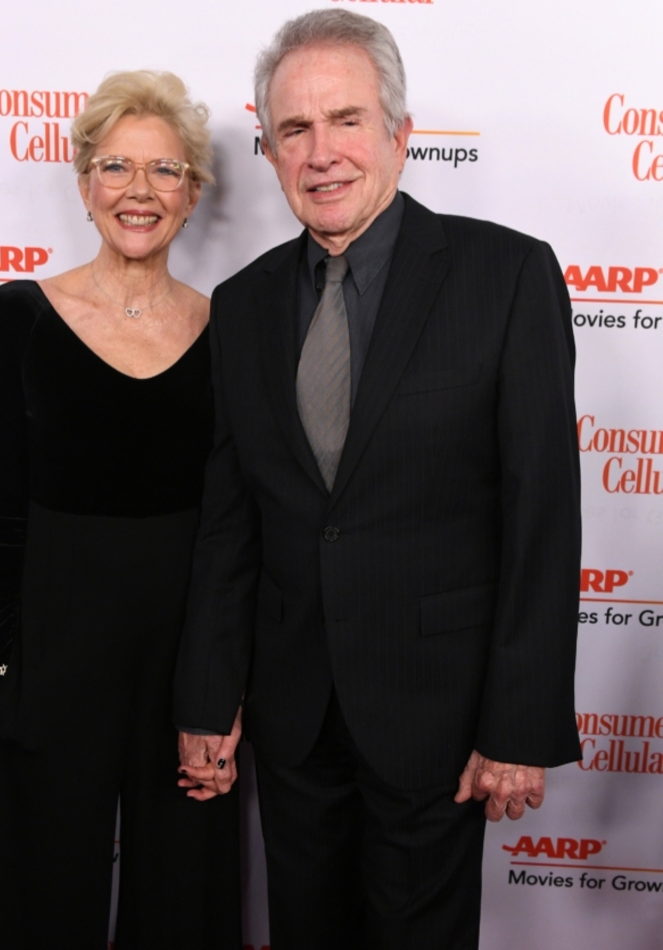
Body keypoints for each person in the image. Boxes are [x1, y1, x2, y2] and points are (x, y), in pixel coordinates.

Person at [174, 10, 581, 950]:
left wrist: (517, 723)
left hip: (437, 714)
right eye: (295, 131)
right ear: (270, 151)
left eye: (346, 120)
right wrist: (206, 698)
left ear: (400, 133)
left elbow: (542, 515)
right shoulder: (241, 308)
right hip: (294, 716)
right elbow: (231, 524)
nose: (322, 154)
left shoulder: (507, 276)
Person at [0, 70, 240, 950]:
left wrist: (226, 684)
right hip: (57, 645)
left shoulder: (230, 330)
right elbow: (1, 503)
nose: (139, 191)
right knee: (38, 880)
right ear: (84, 183)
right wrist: (5, 654)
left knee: (185, 883)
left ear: (193, 195)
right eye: (117, 167)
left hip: (185, 653)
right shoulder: (20, 316)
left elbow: (238, 523)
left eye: (166, 172)